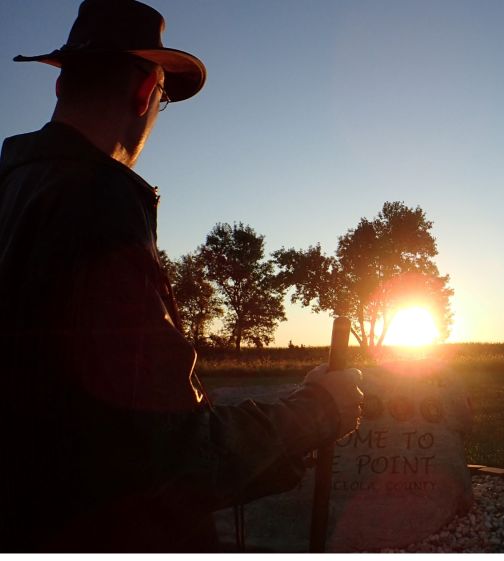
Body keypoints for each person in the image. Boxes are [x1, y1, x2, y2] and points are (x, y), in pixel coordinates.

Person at [0, 0, 363, 552]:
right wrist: (318, 410)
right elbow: (169, 453)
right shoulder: (96, 205)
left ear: (59, 88)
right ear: (146, 90)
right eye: (164, 98)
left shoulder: (13, 194)